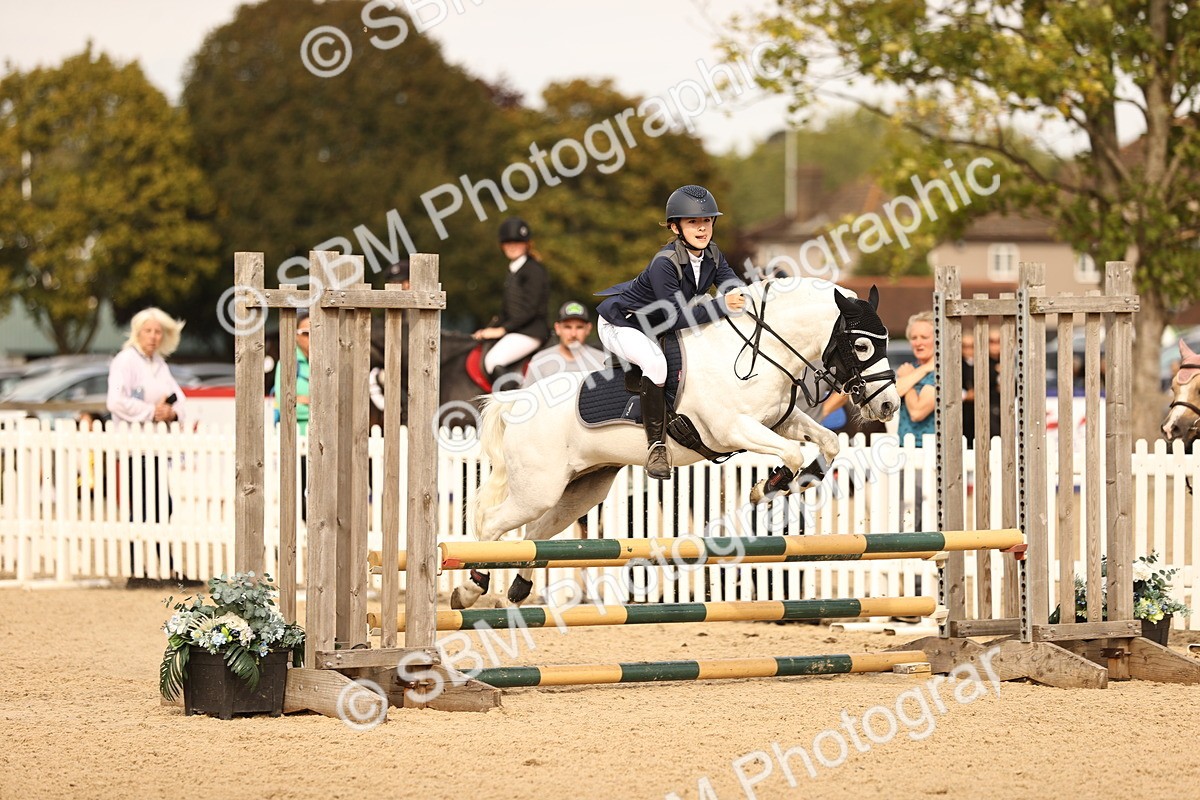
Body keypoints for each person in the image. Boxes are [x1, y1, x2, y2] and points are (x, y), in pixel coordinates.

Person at [596, 184, 746, 480]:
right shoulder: (663, 263)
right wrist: (723, 306)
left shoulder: (713, 255)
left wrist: (755, 292)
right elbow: (676, 317)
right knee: (656, 364)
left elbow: (733, 287)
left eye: (706, 221)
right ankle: (656, 448)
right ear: (676, 227)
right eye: (693, 222)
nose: (702, 228)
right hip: (622, 323)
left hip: (657, 325)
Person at [106, 307, 188, 582]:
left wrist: (171, 412)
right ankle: (138, 570)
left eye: (157, 332)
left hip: (153, 446)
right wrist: (151, 411)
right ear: (137, 332)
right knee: (145, 507)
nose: (153, 337)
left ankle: (164, 567)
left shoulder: (158, 364)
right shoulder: (126, 361)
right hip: (134, 446)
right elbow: (115, 401)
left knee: (160, 506)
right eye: (148, 331)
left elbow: (179, 397)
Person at [473, 218, 550, 381]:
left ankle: (512, 403)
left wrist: (503, 330)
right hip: (518, 329)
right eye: (508, 242)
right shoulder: (514, 270)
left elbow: (530, 309)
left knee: (493, 360)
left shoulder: (533, 269)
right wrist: (489, 329)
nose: (512, 246)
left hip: (531, 331)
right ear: (502, 245)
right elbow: (507, 311)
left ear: (527, 244)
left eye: (518, 242)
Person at [274, 310, 311, 520]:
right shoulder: (288, 363)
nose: (310, 337)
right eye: (305, 332)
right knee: (295, 493)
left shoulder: (327, 363)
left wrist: (303, 399)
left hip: (320, 439)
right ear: (295, 335)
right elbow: (285, 402)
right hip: (295, 438)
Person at [520, 301, 607, 388]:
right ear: (557, 328)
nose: (573, 334)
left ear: (588, 329)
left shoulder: (603, 362)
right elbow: (526, 398)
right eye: (567, 327)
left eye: (579, 327)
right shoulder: (539, 361)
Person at [896, 311, 936, 446]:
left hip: (930, 450)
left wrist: (908, 379)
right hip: (904, 446)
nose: (918, 343)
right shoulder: (910, 368)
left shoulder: (942, 372)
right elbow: (894, 393)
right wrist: (923, 370)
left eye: (924, 337)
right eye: (914, 338)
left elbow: (917, 412)